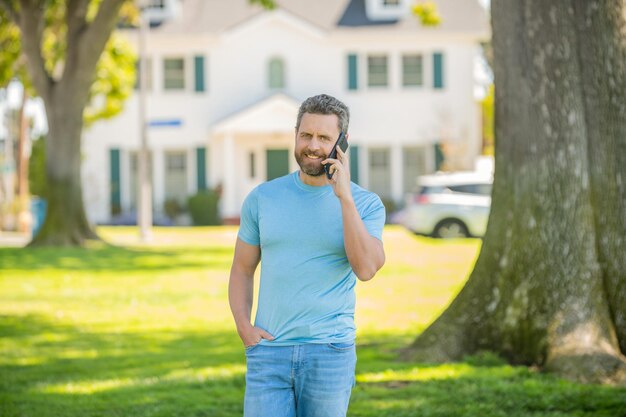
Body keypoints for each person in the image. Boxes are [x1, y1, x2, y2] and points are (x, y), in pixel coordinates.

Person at [228, 93, 386, 417]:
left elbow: (367, 268)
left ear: (342, 143)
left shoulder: (365, 204)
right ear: (296, 134)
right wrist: (244, 328)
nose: (312, 145)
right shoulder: (262, 198)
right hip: (268, 352)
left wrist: (344, 198)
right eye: (306, 135)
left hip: (329, 354)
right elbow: (242, 270)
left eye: (324, 137)